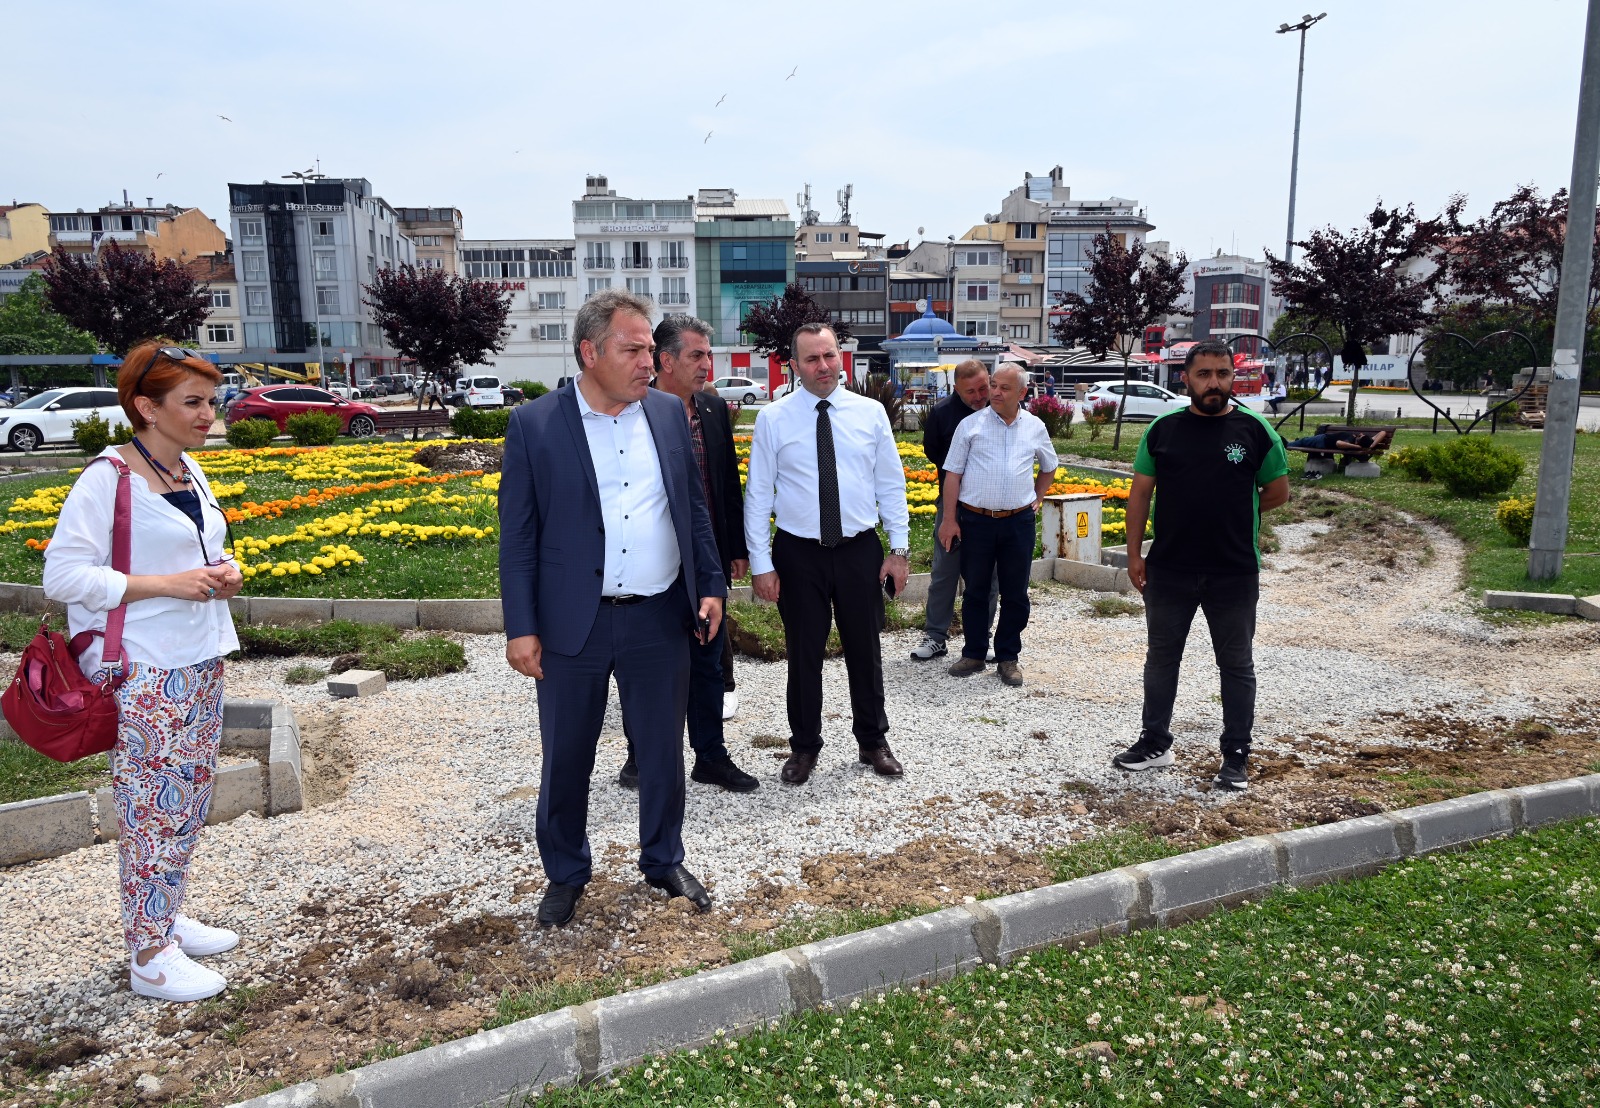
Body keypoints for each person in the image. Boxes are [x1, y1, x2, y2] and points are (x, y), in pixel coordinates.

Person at [499, 289, 726, 928]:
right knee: (567, 756)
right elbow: (518, 537)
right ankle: (566, 873)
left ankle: (663, 859)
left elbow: (693, 508)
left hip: (659, 615)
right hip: (574, 622)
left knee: (662, 751)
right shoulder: (536, 425)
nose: (649, 362)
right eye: (632, 350)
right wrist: (522, 626)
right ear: (589, 352)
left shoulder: (667, 413)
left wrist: (710, 583)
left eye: (650, 349)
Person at [43, 341, 244, 1003]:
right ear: (146, 407)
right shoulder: (108, 479)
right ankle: (150, 955)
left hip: (199, 656)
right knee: (151, 809)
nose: (208, 414)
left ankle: (166, 916)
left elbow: (195, 552)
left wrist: (223, 573)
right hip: (142, 667)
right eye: (193, 402)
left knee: (187, 799)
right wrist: (167, 584)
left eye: (212, 401)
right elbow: (62, 576)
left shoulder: (188, 471)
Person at [1112, 340, 1291, 791]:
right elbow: (1139, 495)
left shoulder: (1255, 430)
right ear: (1186, 379)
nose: (1215, 382)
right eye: (1204, 374)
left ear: (1233, 377)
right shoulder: (1163, 430)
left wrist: (1235, 513)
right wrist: (1134, 554)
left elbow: (1277, 491)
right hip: (1169, 569)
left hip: (1234, 570)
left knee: (1236, 665)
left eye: (1223, 374)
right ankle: (1155, 742)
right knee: (1161, 659)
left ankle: (1235, 755)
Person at [744, 323, 910, 785]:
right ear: (794, 366)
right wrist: (762, 564)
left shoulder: (870, 413)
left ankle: (873, 741)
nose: (823, 366)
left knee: (865, 649)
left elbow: (891, 485)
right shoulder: (774, 419)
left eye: (830, 355)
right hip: (799, 554)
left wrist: (898, 550)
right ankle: (803, 746)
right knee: (803, 654)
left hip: (859, 550)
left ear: (841, 357)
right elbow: (757, 496)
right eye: (812, 359)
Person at [616, 314, 757, 794]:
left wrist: (734, 549)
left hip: (705, 560)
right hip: (651, 562)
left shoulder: (713, 409)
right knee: (646, 666)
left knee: (708, 661)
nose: (707, 365)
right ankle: (641, 756)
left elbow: (726, 483)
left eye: (708, 355)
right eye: (697, 355)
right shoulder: (634, 409)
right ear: (666, 360)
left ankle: (710, 757)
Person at [937, 365, 1059, 687]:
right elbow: (953, 475)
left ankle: (1008, 657)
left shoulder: (1034, 426)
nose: (995, 392)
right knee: (975, 590)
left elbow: (1050, 465)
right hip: (976, 521)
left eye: (1004, 388)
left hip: (1018, 522)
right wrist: (949, 520)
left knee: (1015, 593)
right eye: (993, 385)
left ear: (1022, 393)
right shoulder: (970, 425)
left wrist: (1038, 496)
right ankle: (974, 653)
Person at [910, 360, 998, 662]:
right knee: (944, 573)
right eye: (970, 392)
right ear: (956, 389)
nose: (979, 397)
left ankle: (982, 636)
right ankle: (936, 636)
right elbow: (933, 451)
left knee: (987, 576)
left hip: (989, 508)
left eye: (983, 388)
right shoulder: (942, 413)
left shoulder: (1001, 408)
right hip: (953, 506)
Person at [1285, 429, 1390, 478]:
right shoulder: (1368, 442)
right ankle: (1294, 442)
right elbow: (1383, 432)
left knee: (1298, 443)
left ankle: (1286, 444)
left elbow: (1339, 443)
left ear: (1358, 441)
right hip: (1324, 442)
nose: (1360, 433)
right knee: (1303, 441)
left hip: (1322, 440)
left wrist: (1356, 447)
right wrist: (1371, 446)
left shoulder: (1350, 439)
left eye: (1360, 436)